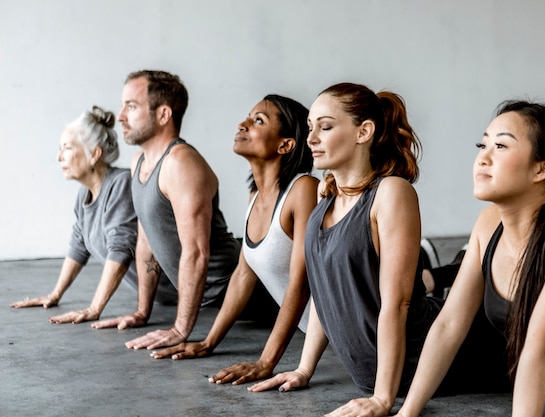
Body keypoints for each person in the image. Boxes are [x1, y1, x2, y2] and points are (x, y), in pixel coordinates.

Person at [392, 100, 545, 417]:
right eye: (482, 144)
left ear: (541, 168)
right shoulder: (489, 224)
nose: (482, 158)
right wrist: (407, 412)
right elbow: (448, 325)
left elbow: (537, 346)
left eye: (501, 145)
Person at [247, 82, 443, 416]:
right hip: (374, 376)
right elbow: (326, 293)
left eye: (325, 127)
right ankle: (439, 270)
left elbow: (397, 303)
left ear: (363, 131)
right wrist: (304, 369)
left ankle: (456, 266)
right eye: (310, 128)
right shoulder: (326, 196)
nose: (311, 139)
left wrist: (383, 397)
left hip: (433, 361)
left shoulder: (392, 193)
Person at [150, 94, 319, 386]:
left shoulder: (303, 188)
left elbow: (300, 282)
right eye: (248, 118)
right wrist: (208, 342)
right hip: (312, 330)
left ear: (286, 144)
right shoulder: (255, 197)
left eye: (258, 121)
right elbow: (243, 274)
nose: (243, 125)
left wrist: (267, 362)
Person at [92, 70, 240, 351]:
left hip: (244, 294)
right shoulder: (138, 163)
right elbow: (147, 240)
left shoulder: (181, 164)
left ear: (163, 115)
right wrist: (141, 311)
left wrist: (181, 329)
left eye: (131, 106)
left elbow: (197, 252)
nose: (121, 115)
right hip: (208, 301)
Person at [9, 106, 178, 322]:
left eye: (67, 148)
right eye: (60, 148)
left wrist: (94, 309)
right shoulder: (84, 195)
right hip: (166, 301)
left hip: (194, 297)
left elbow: (121, 249)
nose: (59, 156)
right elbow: (79, 245)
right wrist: (55, 294)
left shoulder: (121, 183)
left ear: (94, 154)